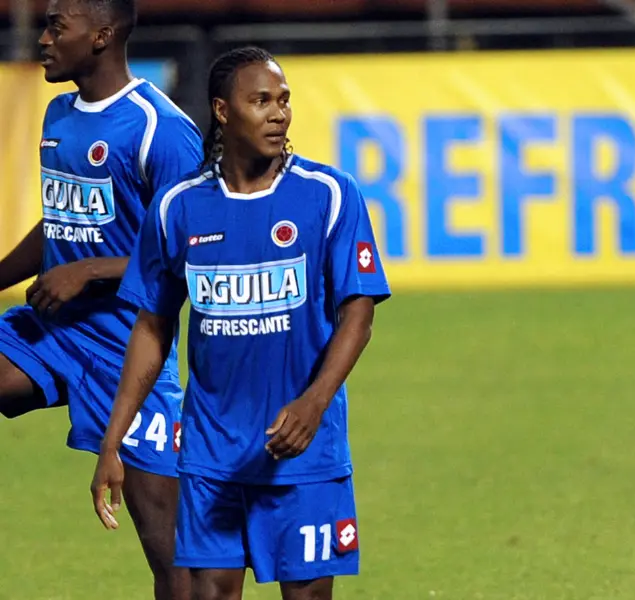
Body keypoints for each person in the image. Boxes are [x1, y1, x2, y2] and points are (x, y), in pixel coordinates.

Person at [90, 45, 390, 600]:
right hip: (211, 452)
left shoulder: (328, 194)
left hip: (304, 451)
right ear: (223, 111)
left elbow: (359, 312)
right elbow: (152, 327)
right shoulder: (178, 207)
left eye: (284, 101)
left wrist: (314, 403)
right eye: (261, 101)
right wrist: (113, 441)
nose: (279, 114)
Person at [0, 0, 200, 597]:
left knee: (174, 565)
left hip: (130, 351)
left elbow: (196, 250)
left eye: (57, 26)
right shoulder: (59, 113)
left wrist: (90, 271)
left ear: (101, 36)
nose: (43, 39)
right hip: (54, 331)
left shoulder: (160, 129)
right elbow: (61, 220)